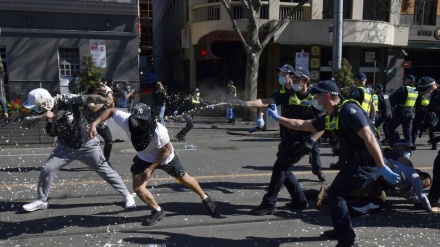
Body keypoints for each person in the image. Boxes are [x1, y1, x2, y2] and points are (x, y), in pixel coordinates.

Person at [266, 80, 400, 247]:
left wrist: (381, 166)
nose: (314, 98)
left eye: (316, 95)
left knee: (337, 194)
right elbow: (302, 125)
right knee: (334, 194)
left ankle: (347, 240)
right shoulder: (332, 116)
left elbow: (369, 137)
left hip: (368, 163)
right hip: (354, 163)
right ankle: (341, 230)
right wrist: (278, 118)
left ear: (327, 96)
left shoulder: (349, 111)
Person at [88, 103, 216, 226]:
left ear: (149, 118)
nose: (138, 124)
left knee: (184, 179)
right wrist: (94, 124)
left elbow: (166, 151)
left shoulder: (159, 131)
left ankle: (204, 197)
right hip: (144, 157)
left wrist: (150, 168)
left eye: (142, 121)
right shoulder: (126, 120)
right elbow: (110, 111)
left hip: (165, 158)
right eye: (135, 120)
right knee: (138, 188)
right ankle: (157, 210)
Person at [230, 65, 325, 216]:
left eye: (296, 78)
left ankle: (269, 203)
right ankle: (299, 201)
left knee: (280, 168)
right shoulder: (289, 94)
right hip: (288, 137)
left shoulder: (315, 97)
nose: (292, 80)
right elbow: (266, 101)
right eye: (292, 77)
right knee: (284, 168)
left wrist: (312, 141)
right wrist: (245, 104)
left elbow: (323, 124)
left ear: (305, 80)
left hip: (302, 140)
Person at [20, 88, 135, 212]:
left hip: (87, 144)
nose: (34, 109)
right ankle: (41, 200)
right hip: (65, 147)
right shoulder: (42, 112)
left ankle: (127, 196)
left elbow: (88, 98)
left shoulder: (64, 100)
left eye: (36, 106)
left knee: (105, 170)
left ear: (43, 102)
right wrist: (42, 117)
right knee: (47, 169)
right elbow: (25, 123)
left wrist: (104, 99)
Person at [83, 83, 115, 163]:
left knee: (109, 140)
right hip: (90, 124)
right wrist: (104, 102)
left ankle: (105, 161)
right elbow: (93, 108)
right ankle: (91, 160)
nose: (102, 93)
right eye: (100, 91)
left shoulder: (103, 97)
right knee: (91, 144)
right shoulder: (89, 97)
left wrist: (111, 102)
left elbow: (111, 109)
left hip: (101, 123)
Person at [387, 75, 418, 146]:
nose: (404, 81)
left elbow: (392, 99)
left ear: (409, 81)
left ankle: (393, 145)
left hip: (402, 111)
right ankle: (409, 147)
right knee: (407, 132)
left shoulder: (403, 88)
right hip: (411, 112)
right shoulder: (415, 90)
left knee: (390, 127)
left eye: (405, 80)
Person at [413, 76, 438, 150]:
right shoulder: (434, 95)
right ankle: (434, 144)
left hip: (424, 111)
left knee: (416, 128)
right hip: (427, 111)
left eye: (423, 90)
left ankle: (412, 143)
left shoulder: (436, 96)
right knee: (431, 127)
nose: (422, 92)